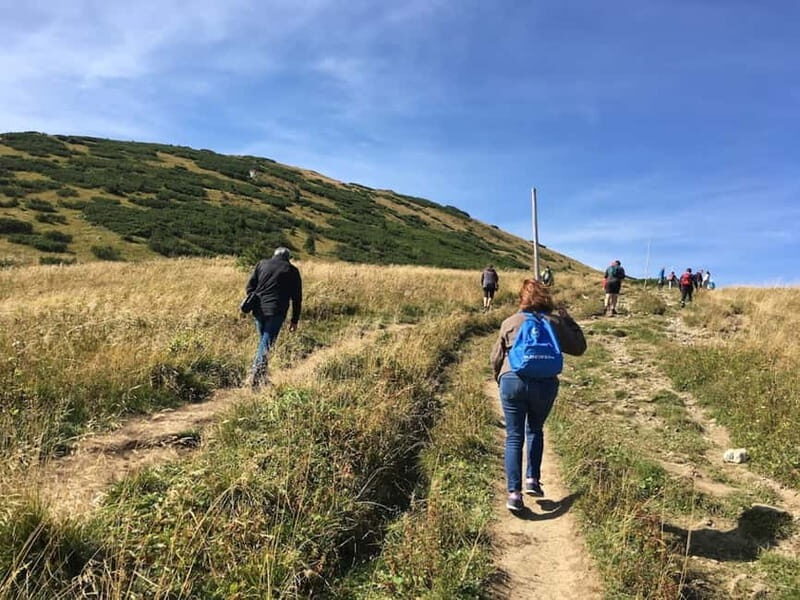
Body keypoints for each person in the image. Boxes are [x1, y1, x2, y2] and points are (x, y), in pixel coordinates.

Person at [491, 279, 586, 512]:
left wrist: (500, 378)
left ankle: (514, 494)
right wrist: (568, 320)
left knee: (514, 436)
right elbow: (579, 348)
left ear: (521, 298)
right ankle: (532, 479)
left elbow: (496, 357)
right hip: (545, 383)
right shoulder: (554, 322)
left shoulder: (510, 322)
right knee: (535, 429)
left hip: (512, 381)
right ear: (546, 298)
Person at [245, 247, 302, 387]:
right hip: (276, 311)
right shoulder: (292, 270)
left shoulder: (261, 264)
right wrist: (294, 320)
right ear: (288, 258)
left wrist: (255, 298)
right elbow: (297, 299)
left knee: (264, 342)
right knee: (267, 343)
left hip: (258, 309)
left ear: (274, 255)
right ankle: (255, 375)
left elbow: (249, 287)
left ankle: (261, 377)